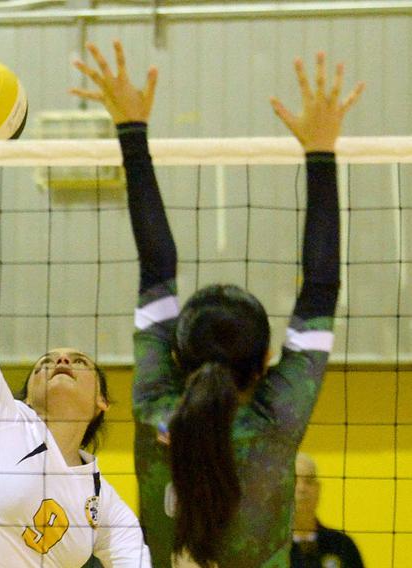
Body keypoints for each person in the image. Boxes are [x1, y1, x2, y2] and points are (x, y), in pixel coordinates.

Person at [72, 41, 363, 567]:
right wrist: (321, 153)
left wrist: (132, 133)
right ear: (266, 361)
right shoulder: (274, 420)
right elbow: (320, 288)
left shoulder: (156, 408)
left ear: (179, 358)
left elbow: (157, 268)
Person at [0, 160, 151, 567]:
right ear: (28, 395)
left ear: (102, 401)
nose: (62, 359)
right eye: (44, 362)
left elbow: (134, 559)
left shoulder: (102, 500)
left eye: (79, 361)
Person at [291, 453, 364, 568]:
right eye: (294, 481)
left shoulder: (342, 546)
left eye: (308, 481)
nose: (302, 489)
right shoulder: (267, 551)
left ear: (318, 489)